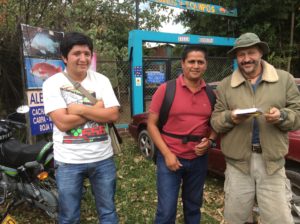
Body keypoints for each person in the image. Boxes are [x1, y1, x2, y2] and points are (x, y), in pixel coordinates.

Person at [211, 32, 300, 224]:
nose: (246, 59)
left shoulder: (284, 79)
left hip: (272, 163)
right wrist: (230, 117)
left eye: (251, 52)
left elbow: (297, 115)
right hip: (238, 164)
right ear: (236, 58)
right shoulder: (226, 85)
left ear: (260, 52)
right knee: (236, 218)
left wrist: (282, 116)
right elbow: (216, 121)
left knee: (279, 219)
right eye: (241, 55)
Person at [42, 32, 119, 224]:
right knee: (68, 216)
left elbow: (113, 115)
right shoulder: (52, 84)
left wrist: (80, 109)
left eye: (87, 53)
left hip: (103, 159)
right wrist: (97, 108)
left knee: (108, 212)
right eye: (77, 53)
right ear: (64, 57)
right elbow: (63, 123)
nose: (83, 58)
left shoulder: (101, 80)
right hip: (68, 162)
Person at [147, 45, 217, 224]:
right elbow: (152, 125)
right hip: (170, 157)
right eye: (191, 61)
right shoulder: (166, 89)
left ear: (206, 65)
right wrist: (167, 154)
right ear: (183, 64)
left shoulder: (210, 93)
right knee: (166, 210)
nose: (196, 66)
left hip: (198, 159)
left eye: (200, 62)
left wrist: (209, 141)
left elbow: (216, 124)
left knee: (193, 206)